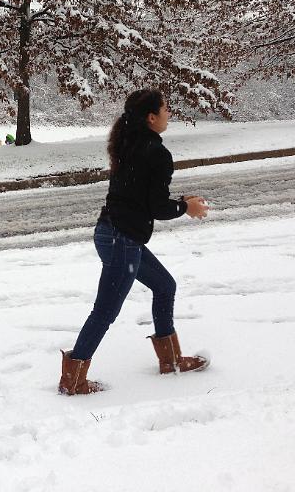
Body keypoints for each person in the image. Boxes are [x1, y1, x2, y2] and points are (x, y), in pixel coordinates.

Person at [59, 88, 210, 395]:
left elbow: (139, 196)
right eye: (165, 109)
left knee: (164, 286)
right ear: (151, 117)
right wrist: (186, 207)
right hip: (122, 241)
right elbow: (156, 206)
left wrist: (181, 202)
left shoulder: (128, 142)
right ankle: (73, 381)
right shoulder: (156, 152)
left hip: (111, 233)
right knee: (105, 312)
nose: (169, 113)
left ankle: (171, 361)